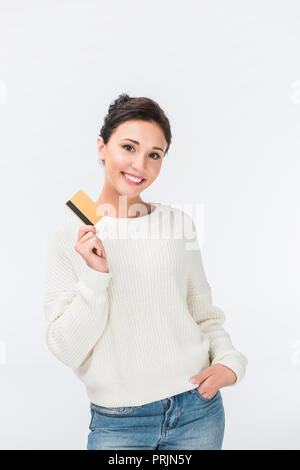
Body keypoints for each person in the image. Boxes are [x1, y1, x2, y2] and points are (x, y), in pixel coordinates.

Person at [44, 93, 248, 450]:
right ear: (101, 146)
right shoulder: (71, 236)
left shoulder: (177, 224)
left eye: (155, 154)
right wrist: (96, 277)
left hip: (197, 412)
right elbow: (65, 348)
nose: (140, 165)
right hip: (119, 424)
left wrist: (229, 361)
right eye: (129, 147)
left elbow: (204, 315)